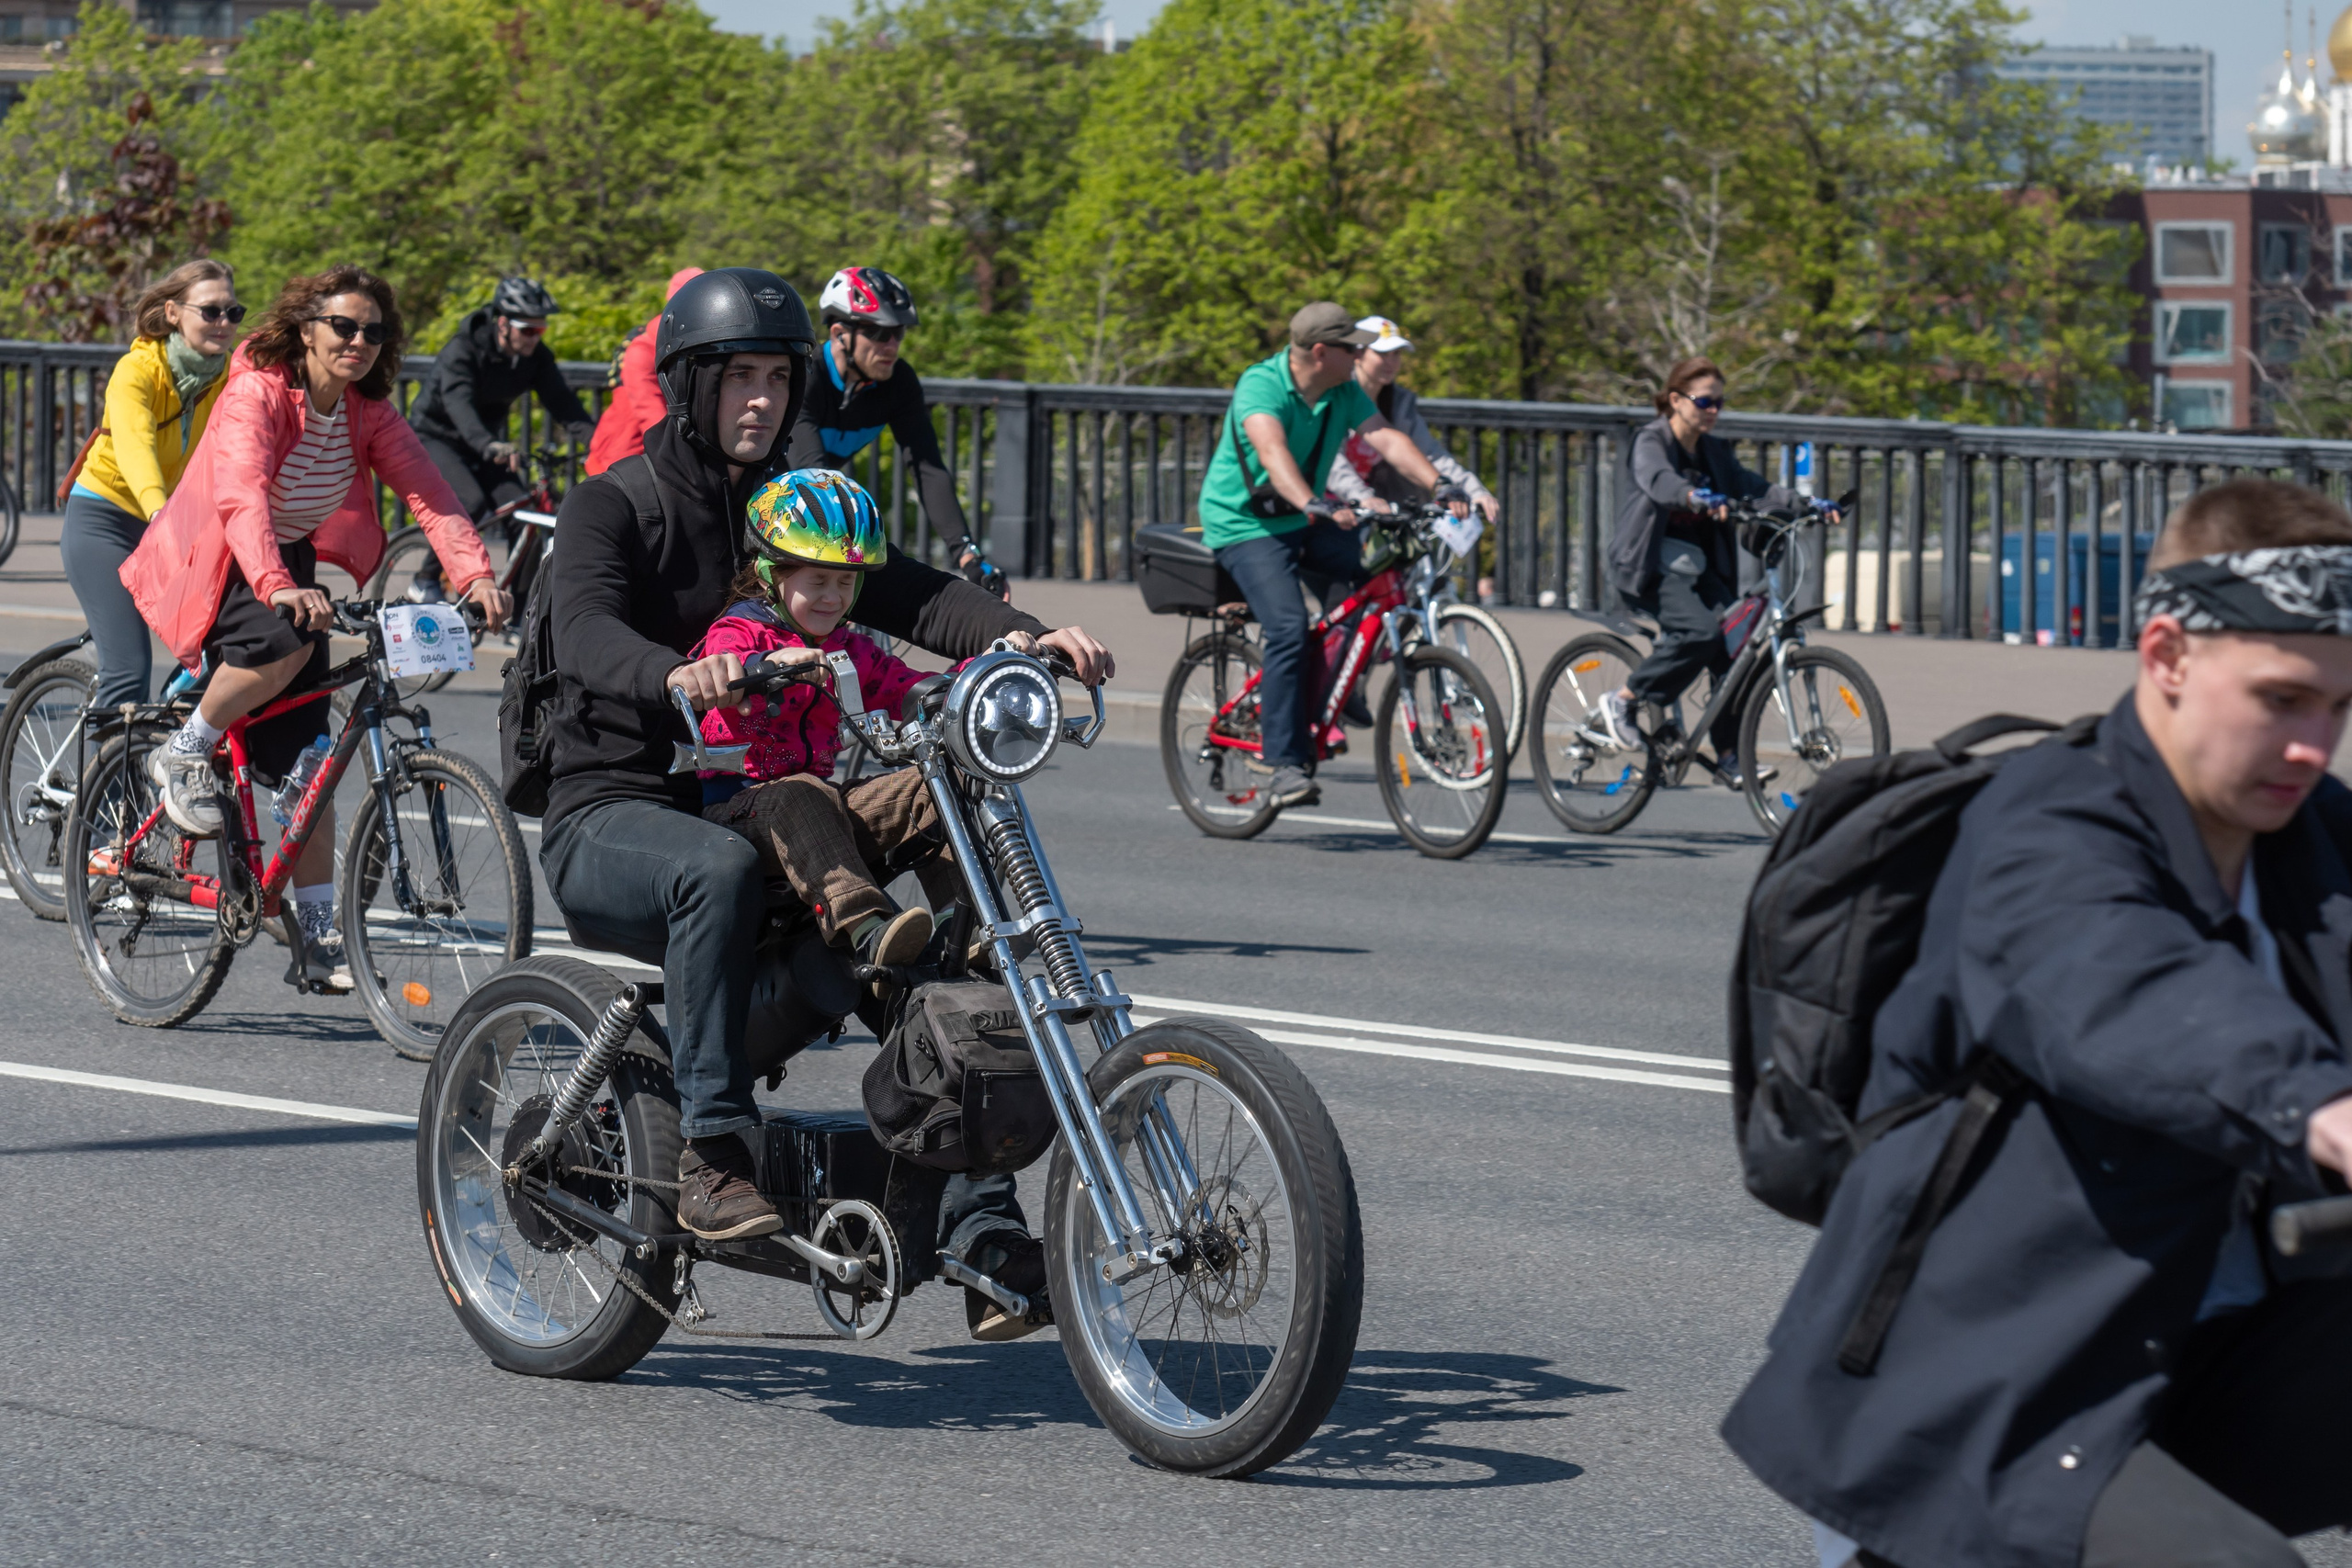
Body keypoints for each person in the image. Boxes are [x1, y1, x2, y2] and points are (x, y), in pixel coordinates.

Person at [1722, 478, 2352, 1568]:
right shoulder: (2047, 827)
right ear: (2166, 656)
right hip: (1997, 1390)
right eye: (2281, 700)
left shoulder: (2316, 836)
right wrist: (2323, 1109)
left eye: (2338, 710)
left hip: (2214, 1358)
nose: (2313, 745)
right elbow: (2127, 991)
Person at [536, 266, 1113, 1338]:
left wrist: (1020, 634)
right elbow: (587, 633)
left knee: (927, 946)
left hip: (762, 806)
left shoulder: (790, 505)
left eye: (776, 378)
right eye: (738, 377)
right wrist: (671, 676)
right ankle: (712, 1156)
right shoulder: (614, 503)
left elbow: (909, 590)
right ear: (689, 383)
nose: (761, 400)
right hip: (617, 807)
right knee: (718, 867)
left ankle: (981, 1219)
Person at [120, 265, 510, 990]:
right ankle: (183, 748)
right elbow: (239, 497)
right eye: (343, 326)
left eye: (373, 331)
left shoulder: (367, 412)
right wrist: (276, 585)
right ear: (307, 330)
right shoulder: (257, 392)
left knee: (314, 764)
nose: (358, 341)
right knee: (283, 640)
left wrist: (475, 574)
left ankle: (321, 937)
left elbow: (430, 493)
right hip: (220, 546)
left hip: (284, 555)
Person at [1199, 300, 1468, 812]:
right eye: (1353, 348)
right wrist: (1312, 502)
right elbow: (1272, 451)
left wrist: (1440, 483)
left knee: (1379, 575)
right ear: (1322, 352)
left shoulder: (1341, 389)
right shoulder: (1261, 385)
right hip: (1245, 526)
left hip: (1307, 517)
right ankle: (1283, 764)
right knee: (1287, 627)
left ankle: (1335, 691)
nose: (1362, 355)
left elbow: (1385, 437)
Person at [693, 468, 936, 973]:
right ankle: (866, 929)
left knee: (938, 784)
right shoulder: (738, 632)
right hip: (740, 811)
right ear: (769, 574)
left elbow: (901, 682)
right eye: (818, 581)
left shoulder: (848, 647)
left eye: (846, 582)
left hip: (819, 807)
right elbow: (723, 672)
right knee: (800, 793)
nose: (833, 597)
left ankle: (965, 927)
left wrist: (979, 673)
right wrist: (767, 669)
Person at [1599, 355, 1826, 788]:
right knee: (1702, 632)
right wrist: (1691, 495)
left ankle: (1728, 756)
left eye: (1720, 403)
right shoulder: (1652, 440)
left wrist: (1811, 505)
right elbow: (1659, 481)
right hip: (1650, 565)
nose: (1714, 412)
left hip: (1696, 566)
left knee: (1734, 646)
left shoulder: (1715, 451)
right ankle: (1623, 700)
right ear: (1675, 399)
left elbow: (1754, 488)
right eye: (1706, 402)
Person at [59, 259, 241, 711]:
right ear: (174, 312)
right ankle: (102, 782)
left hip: (170, 527)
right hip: (105, 521)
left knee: (237, 647)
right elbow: (136, 445)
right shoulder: (136, 370)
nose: (224, 323)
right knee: (128, 671)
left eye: (233, 313)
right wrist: (159, 510)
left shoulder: (227, 376)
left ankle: (168, 753)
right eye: (211, 311)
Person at [785, 266, 1003, 594]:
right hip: (772, 498)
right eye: (877, 332)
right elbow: (817, 478)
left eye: (897, 333)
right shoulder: (806, 376)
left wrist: (967, 555)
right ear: (839, 334)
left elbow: (927, 468)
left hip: (820, 504)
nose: (891, 345)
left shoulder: (898, 383)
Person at [403, 276, 596, 598]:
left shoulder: (535, 357)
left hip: (485, 444)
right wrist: (487, 444)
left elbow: (565, 405)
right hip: (437, 437)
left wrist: (601, 444)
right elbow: (458, 404)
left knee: (525, 516)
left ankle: (519, 616)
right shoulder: (463, 349)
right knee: (469, 502)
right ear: (503, 324)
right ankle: (425, 578)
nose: (536, 338)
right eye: (528, 330)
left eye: (541, 330)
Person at [1323, 315, 1498, 529]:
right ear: (1358, 354)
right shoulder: (1337, 394)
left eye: (1396, 354)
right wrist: (1362, 497)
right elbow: (1330, 458)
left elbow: (1430, 455)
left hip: (1375, 511)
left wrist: (1471, 491)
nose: (1391, 362)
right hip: (1329, 508)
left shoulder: (1398, 403)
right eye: (1382, 353)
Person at [585, 266, 703, 476]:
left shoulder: (695, 344)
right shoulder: (643, 349)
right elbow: (652, 417)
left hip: (658, 458)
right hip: (621, 460)